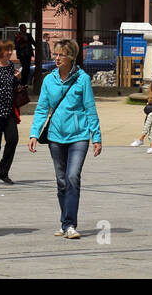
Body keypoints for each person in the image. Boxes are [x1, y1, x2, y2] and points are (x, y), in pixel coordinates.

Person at [27, 38, 102, 239]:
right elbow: (42, 109)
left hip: (79, 136)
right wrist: (34, 133)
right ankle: (64, 221)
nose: (57, 58)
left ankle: (70, 224)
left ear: (71, 57)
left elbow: (90, 109)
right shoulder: (48, 80)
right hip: (55, 137)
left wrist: (96, 136)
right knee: (61, 181)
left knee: (72, 177)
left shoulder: (82, 79)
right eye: (56, 54)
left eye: (62, 54)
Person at [0, 40, 21, 185]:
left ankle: (3, 172)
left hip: (9, 110)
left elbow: (11, 84)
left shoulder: (10, 66)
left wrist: (17, 79)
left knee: (13, 140)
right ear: (0, 51)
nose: (10, 52)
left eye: (11, 49)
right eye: (7, 50)